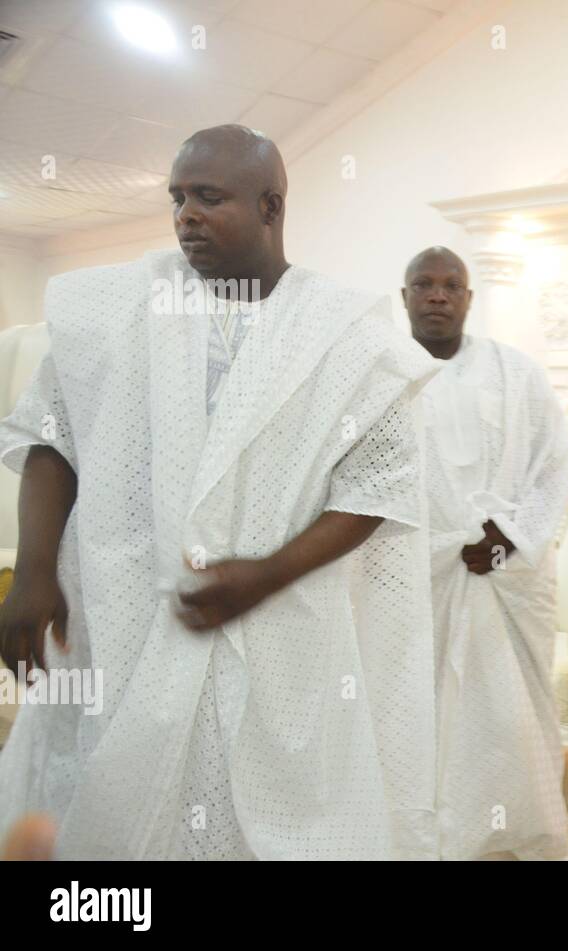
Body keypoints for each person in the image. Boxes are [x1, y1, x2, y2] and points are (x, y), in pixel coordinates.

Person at [0, 125, 439, 860]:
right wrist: (35, 569)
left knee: (260, 807)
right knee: (105, 814)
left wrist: (267, 574)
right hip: (121, 608)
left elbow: (377, 484)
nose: (185, 216)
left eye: (209, 197)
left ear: (271, 206)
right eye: (177, 198)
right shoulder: (116, 306)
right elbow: (53, 434)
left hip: (278, 622)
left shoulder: (345, 331)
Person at [404, 247, 568, 860]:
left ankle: (509, 835)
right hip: (413, 578)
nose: (438, 295)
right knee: (419, 714)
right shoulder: (381, 377)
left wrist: (508, 537)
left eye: (453, 285)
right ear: (405, 298)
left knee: (507, 721)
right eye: (423, 284)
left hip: (505, 576)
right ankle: (430, 837)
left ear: (470, 299)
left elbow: (555, 464)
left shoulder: (515, 372)